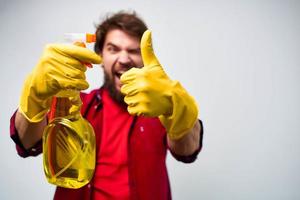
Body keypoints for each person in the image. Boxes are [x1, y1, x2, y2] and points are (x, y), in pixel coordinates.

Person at [10, 11, 203, 200]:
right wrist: (34, 98)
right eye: (113, 49)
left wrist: (176, 108)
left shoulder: (161, 109)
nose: (124, 59)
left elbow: (187, 150)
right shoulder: (73, 105)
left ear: (144, 58)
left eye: (134, 50)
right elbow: (27, 142)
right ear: (100, 55)